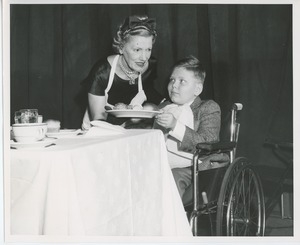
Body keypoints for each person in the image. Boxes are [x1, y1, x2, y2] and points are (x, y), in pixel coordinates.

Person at [154, 55, 226, 198]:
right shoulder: (164, 107)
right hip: (165, 163)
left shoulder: (208, 108)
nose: (174, 85)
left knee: (173, 177)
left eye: (182, 81)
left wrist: (175, 125)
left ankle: (170, 219)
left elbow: (208, 141)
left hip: (197, 166)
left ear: (197, 89)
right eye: (172, 80)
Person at [81, 15, 164, 130]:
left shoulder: (149, 66)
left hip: (133, 130)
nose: (144, 58)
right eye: (137, 50)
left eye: (148, 49)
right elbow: (98, 119)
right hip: (102, 132)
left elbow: (150, 91)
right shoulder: (102, 72)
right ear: (121, 48)